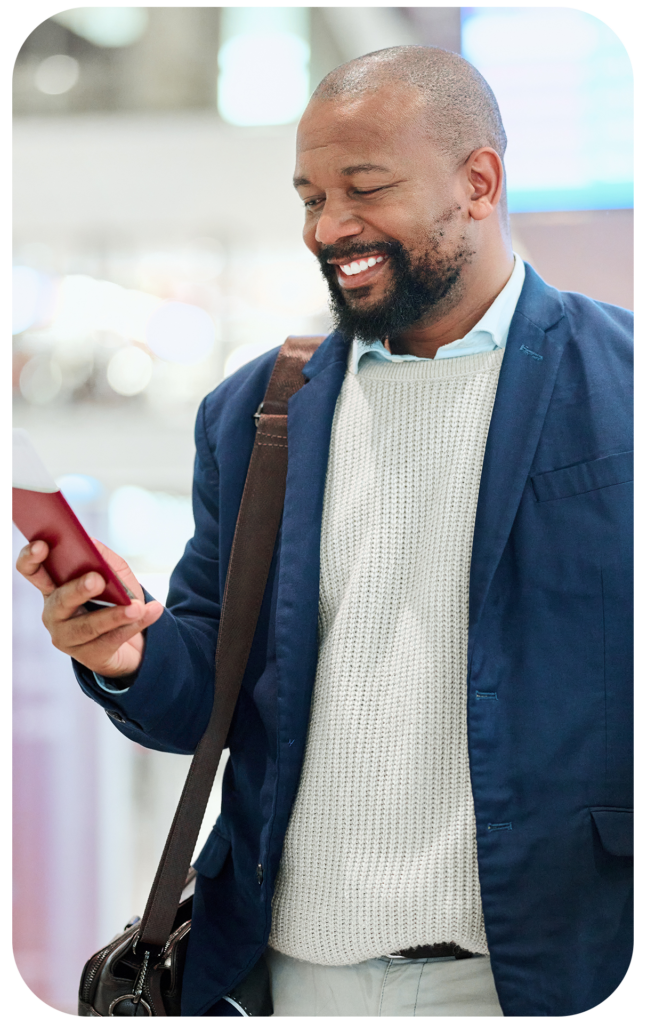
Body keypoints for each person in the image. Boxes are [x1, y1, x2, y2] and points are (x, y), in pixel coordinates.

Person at [16, 46, 633, 1018]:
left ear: (478, 182)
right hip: (288, 968)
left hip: (539, 964)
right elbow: (199, 697)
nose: (328, 226)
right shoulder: (259, 412)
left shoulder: (617, 388)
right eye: (308, 195)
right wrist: (128, 653)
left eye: (364, 188)